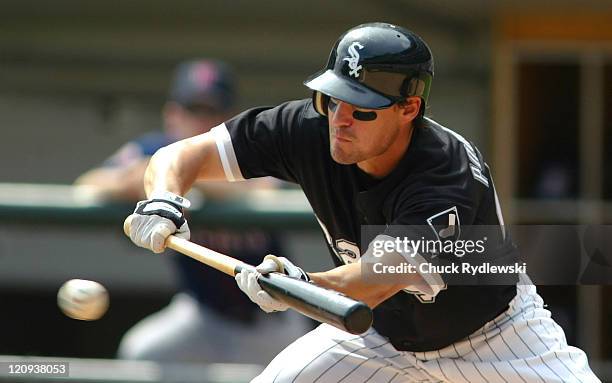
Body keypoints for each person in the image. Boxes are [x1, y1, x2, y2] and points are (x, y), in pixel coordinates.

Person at [123, 23, 600, 382]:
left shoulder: (445, 169)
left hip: (495, 339)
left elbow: (376, 278)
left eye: (361, 107)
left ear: (409, 109)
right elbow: (182, 153)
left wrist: (299, 285)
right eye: (332, 99)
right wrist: (164, 199)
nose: (340, 120)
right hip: (377, 338)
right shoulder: (308, 128)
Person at [77, 59, 309, 364]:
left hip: (270, 313)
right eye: (192, 109)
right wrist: (139, 178)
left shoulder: (242, 150)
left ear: (228, 118)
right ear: (172, 115)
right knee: (142, 352)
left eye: (211, 111)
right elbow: (88, 186)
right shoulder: (158, 151)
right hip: (203, 312)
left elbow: (262, 193)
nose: (200, 120)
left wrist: (181, 180)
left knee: (307, 366)